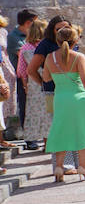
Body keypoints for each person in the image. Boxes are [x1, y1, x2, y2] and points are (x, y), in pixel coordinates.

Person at [40, 24, 85, 182]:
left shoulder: (50, 57)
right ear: (75, 40)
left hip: (60, 99)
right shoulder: (79, 56)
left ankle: (59, 167)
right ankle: (83, 168)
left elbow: (46, 78)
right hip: (79, 97)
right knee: (83, 133)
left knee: (61, 132)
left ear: (57, 40)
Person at [19, 19, 51, 148]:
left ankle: (45, 143)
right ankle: (50, 143)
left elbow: (22, 70)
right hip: (47, 79)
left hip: (33, 83)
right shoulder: (45, 46)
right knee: (49, 111)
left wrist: (25, 85)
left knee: (38, 114)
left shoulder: (24, 47)